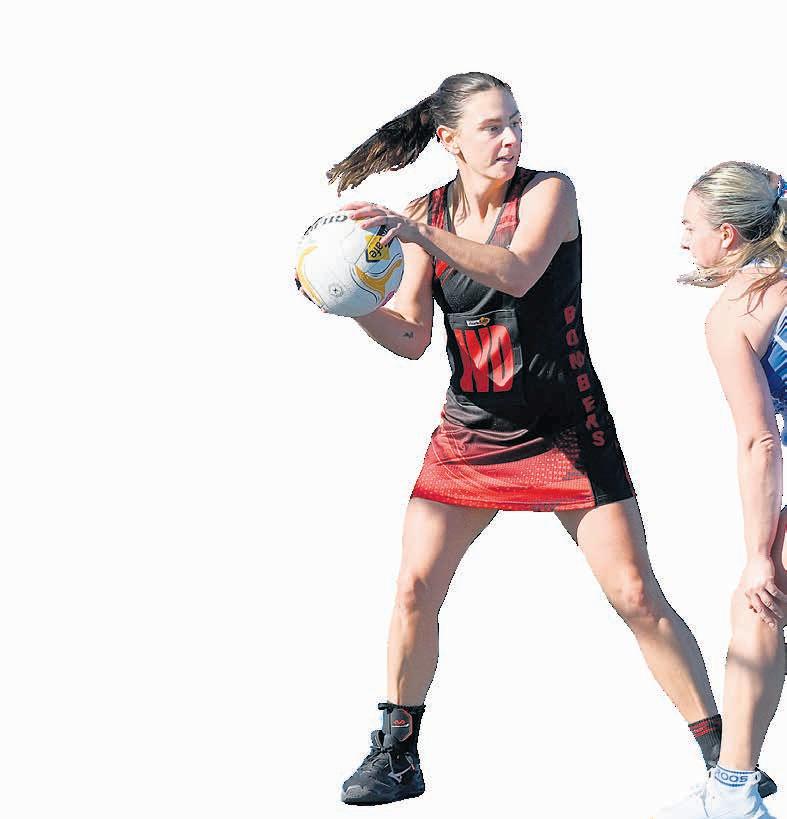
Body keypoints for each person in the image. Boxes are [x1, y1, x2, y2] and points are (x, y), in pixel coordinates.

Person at [304, 73, 769, 807]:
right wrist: (353, 302)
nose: (510, 138)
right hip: (470, 432)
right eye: (491, 127)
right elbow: (412, 336)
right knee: (413, 587)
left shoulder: (550, 193)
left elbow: (517, 273)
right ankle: (396, 753)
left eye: (514, 122)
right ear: (449, 139)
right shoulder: (428, 213)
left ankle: (723, 756)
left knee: (635, 595)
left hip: (565, 428)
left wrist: (422, 235)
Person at [652, 163, 787, 819]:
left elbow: (758, 441)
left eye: (689, 225)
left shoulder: (737, 309)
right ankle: (732, 784)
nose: (683, 238)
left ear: (728, 234)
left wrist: (758, 552)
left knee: (760, 599)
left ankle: (732, 791)